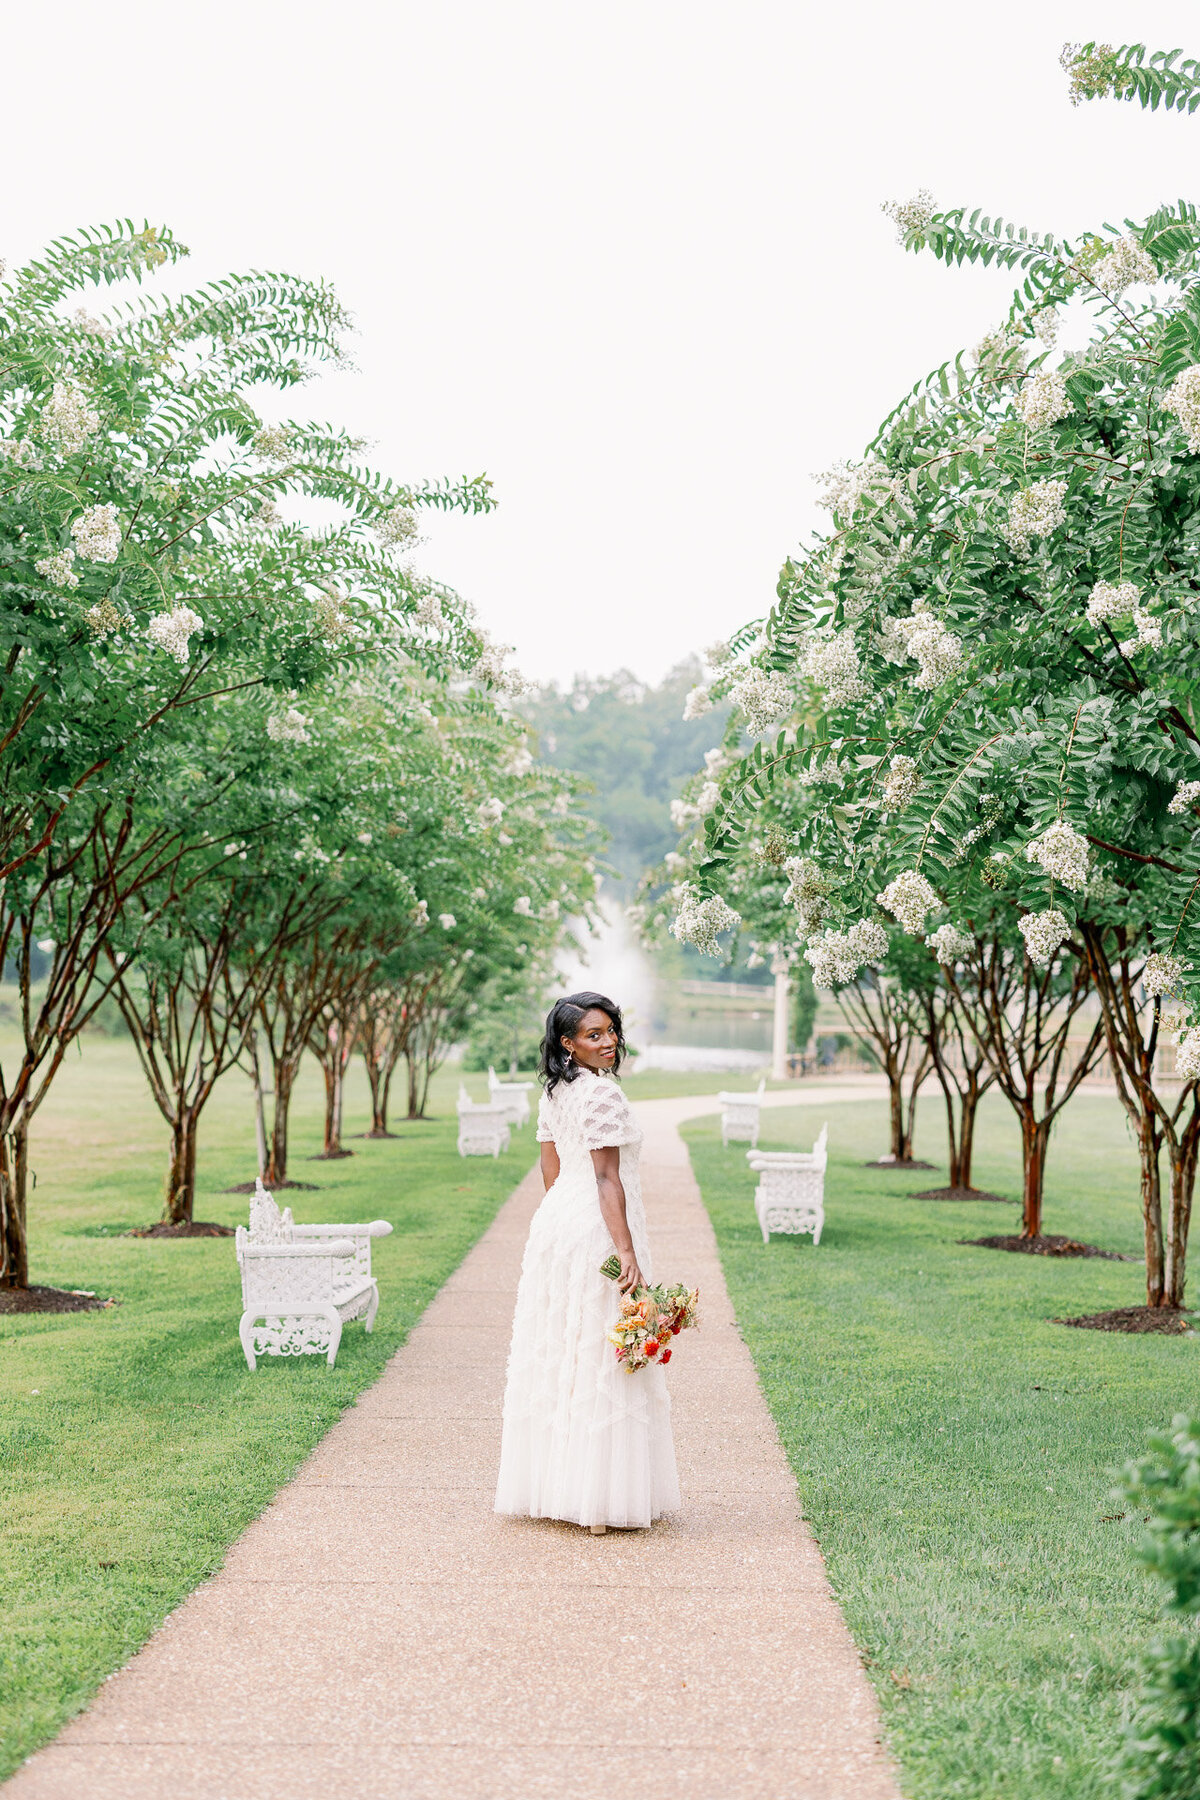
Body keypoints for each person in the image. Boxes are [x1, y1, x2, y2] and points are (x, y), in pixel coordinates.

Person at [494, 991, 680, 1533]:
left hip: (557, 1225)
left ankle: (560, 1486)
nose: (608, 1042)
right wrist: (625, 1251)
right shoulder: (601, 1096)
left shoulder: (556, 1093)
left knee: (563, 1348)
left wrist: (561, 1225)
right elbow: (606, 1179)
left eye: (610, 1031)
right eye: (593, 1035)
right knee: (604, 1350)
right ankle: (598, 1503)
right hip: (598, 1226)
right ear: (568, 1045)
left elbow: (551, 1172)